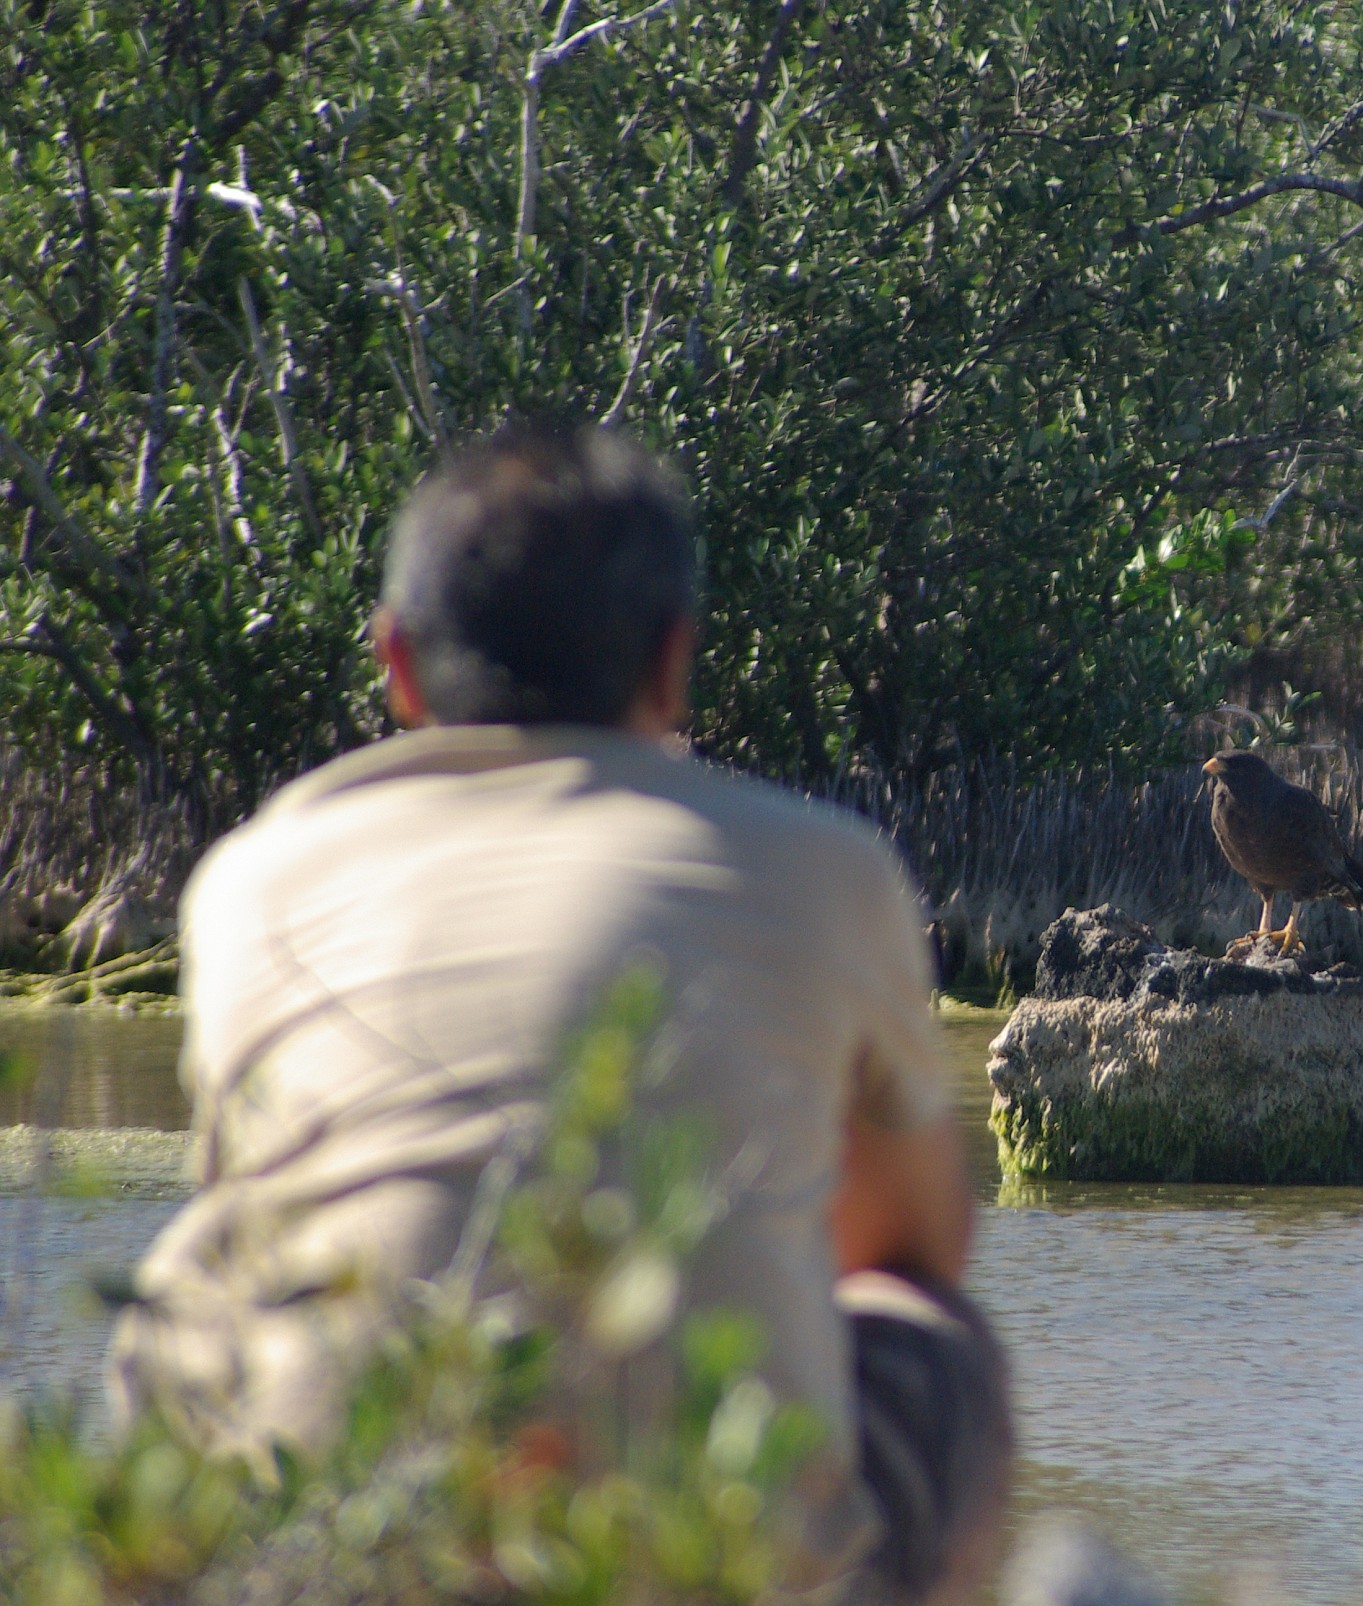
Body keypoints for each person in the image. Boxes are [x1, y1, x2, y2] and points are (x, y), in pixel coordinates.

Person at [109, 423, 1009, 1603]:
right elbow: (913, 1246)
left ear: (398, 664)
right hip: (711, 1562)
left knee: (172, 1302)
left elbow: (268, 1221)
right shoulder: (823, 868)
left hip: (331, 1557)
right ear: (673, 660)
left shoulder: (249, 883)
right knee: (932, 1342)